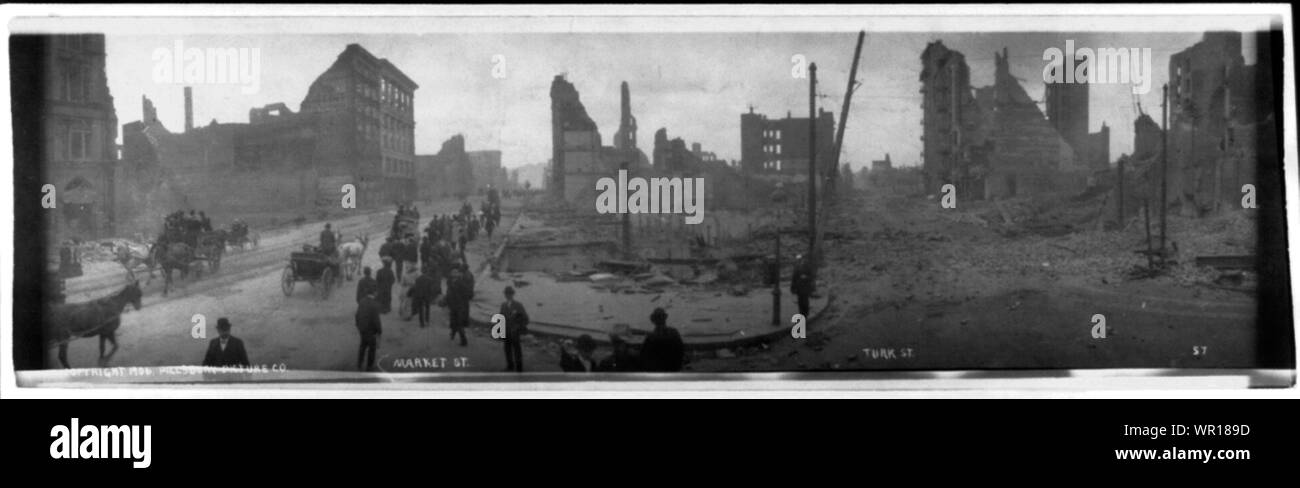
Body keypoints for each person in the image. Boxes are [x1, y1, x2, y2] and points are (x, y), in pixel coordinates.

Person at [639, 308, 684, 372]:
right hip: (671, 370)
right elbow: (680, 352)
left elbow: (643, 357)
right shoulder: (673, 333)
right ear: (665, 318)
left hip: (657, 372)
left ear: (653, 320)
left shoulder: (651, 337)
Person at [498, 286, 529, 372]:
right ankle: (510, 366)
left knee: (517, 350)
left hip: (515, 331)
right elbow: (501, 318)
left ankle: (519, 368)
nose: (507, 295)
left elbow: (525, 318)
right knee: (507, 349)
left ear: (512, 294)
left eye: (509, 294)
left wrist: (518, 327)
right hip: (506, 331)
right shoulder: (503, 305)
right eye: (506, 294)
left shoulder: (518, 305)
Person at [444, 266, 472, 346]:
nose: (453, 274)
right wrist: (446, 301)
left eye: (455, 272)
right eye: (452, 272)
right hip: (453, 306)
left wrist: (462, 301)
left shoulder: (461, 283)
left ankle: (464, 341)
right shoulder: (450, 282)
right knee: (453, 322)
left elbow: (468, 294)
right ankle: (452, 334)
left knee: (459, 324)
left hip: (460, 307)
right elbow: (448, 294)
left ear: (458, 275)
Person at [355, 289, 383, 371]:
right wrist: (379, 330)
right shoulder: (374, 304)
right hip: (370, 330)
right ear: (374, 292)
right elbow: (376, 320)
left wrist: (358, 325)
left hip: (362, 328)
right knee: (372, 348)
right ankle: (369, 366)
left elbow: (357, 315)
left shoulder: (362, 301)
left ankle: (359, 364)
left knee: (362, 346)